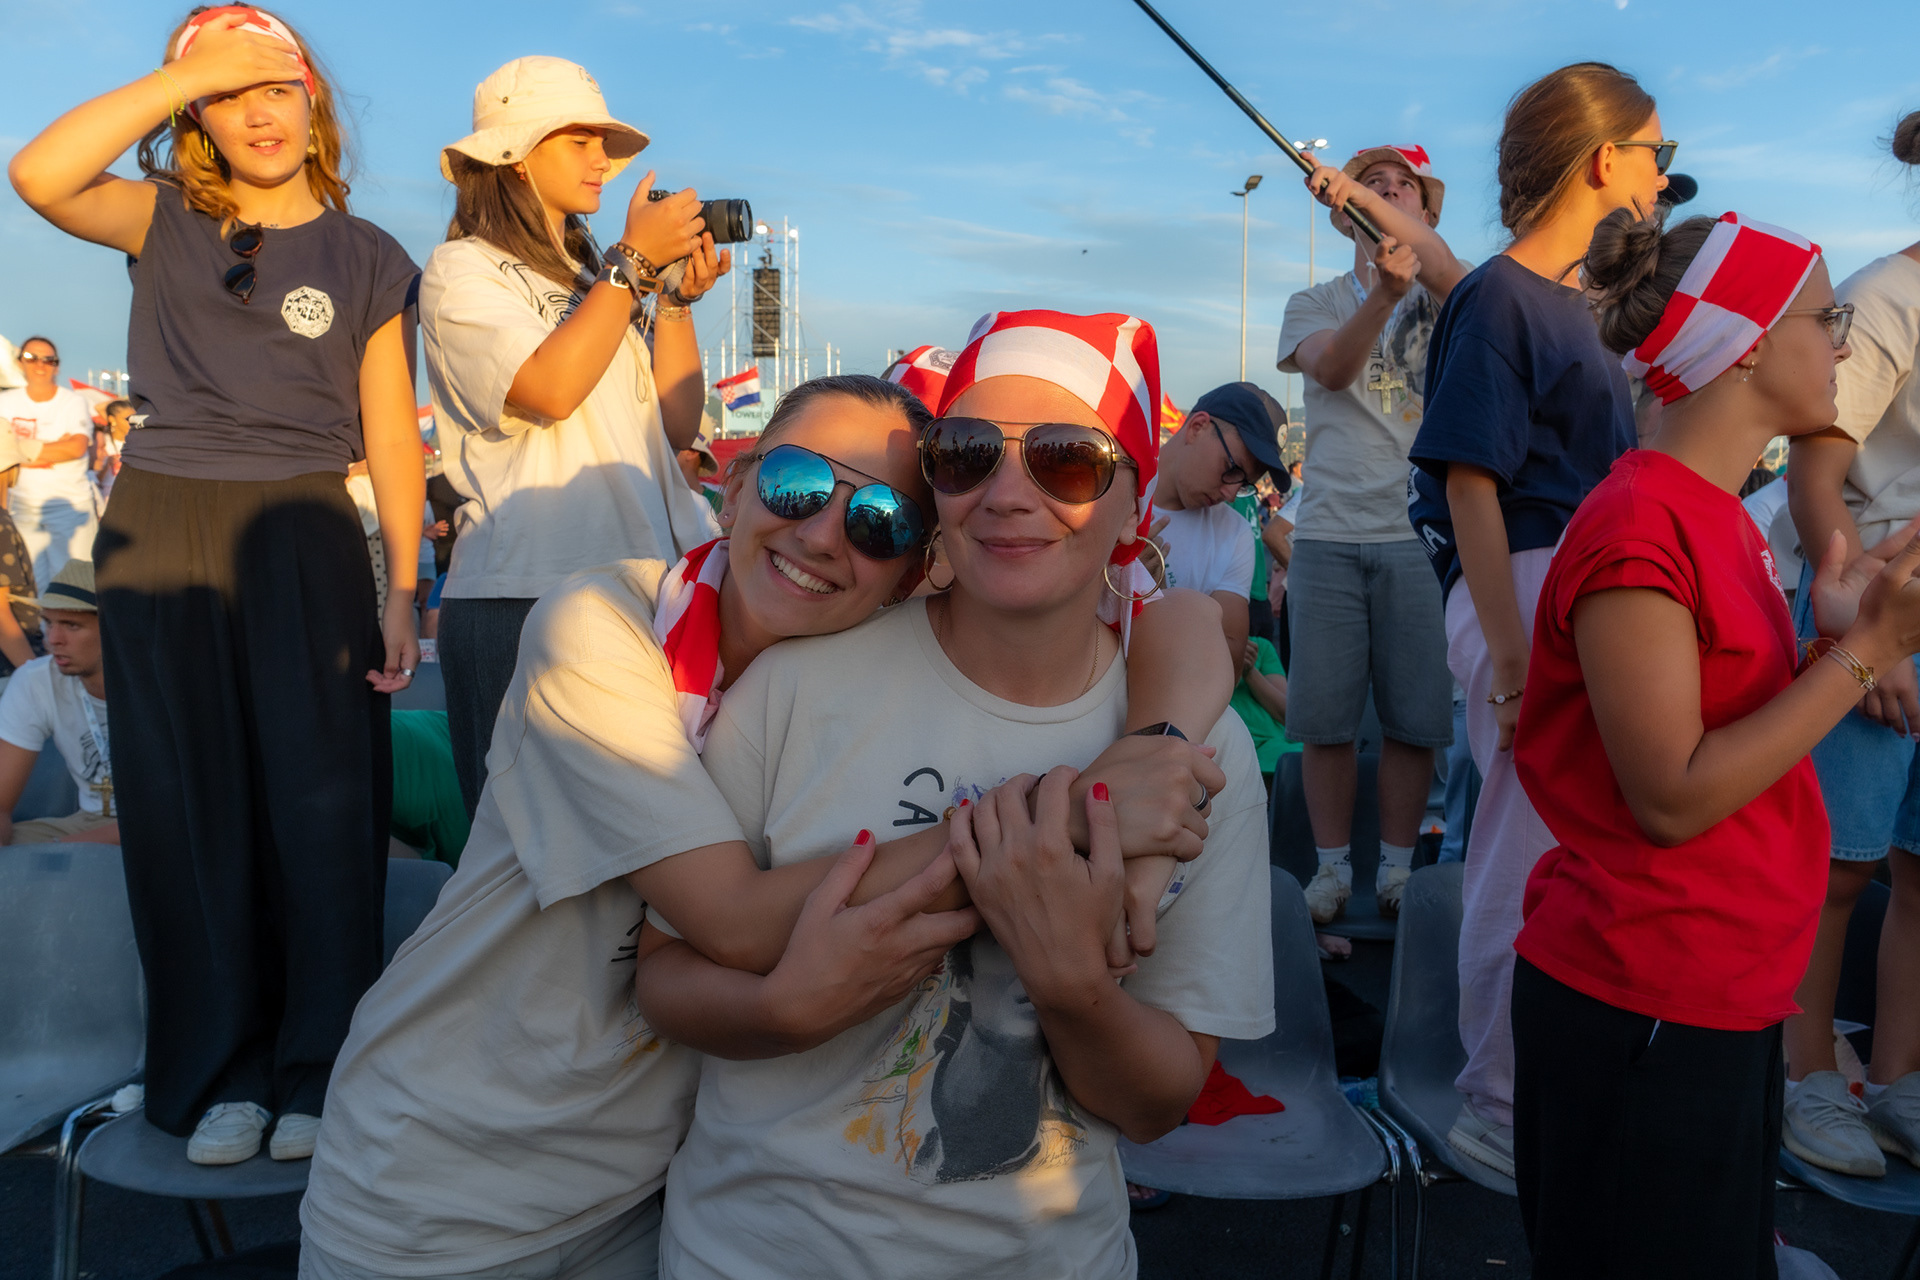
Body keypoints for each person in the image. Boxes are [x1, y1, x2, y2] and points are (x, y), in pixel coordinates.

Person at [299, 371, 1234, 1280]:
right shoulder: (604, 627)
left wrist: (1162, 738)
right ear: (737, 486)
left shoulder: (822, 689)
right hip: (437, 1178)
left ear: (918, 568)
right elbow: (734, 921)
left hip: (641, 1196)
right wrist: (1062, 818)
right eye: (796, 484)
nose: (823, 534)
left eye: (880, 522)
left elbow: (1179, 619)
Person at [642, 311, 1274, 1279]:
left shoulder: (1195, 750)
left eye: (1067, 461)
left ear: (1133, 504)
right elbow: (663, 980)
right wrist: (790, 1006)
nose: (1007, 493)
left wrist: (1073, 985)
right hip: (750, 1252)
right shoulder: (797, 684)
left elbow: (1158, 1103)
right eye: (968, 453)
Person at [9, 6, 424, 1164]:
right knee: (189, 802)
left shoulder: (369, 254)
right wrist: (183, 75)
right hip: (163, 522)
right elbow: (39, 173)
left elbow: (394, 432)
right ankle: (216, 1073)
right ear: (195, 116)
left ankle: (317, 1067)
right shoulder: (164, 219)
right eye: (229, 93)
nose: (257, 112)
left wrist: (399, 585)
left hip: (305, 527)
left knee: (322, 803)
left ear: (313, 101)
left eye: (275, 84)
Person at [1511, 205, 1920, 1276]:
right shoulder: (1642, 525)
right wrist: (1865, 655)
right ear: (1744, 345)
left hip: (1712, 986)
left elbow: (1725, 718)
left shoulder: (1713, 515)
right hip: (1646, 994)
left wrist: (1828, 635)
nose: (1843, 344)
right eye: (1825, 319)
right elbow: (1674, 794)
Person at [1403, 62, 1661, 1179]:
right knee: (1523, 843)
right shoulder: (1503, 296)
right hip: (1524, 590)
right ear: (1606, 158)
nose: (1664, 181)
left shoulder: (1571, 304)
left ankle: (1543, 1085)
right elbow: (1470, 479)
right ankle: (1499, 1104)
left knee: (1569, 846)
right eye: (1656, 156)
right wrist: (1510, 658)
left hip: (1569, 589)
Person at [425, 56, 725, 816]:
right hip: (524, 594)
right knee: (522, 852)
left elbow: (676, 425)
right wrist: (632, 266)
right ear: (514, 156)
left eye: (603, 142)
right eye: (578, 140)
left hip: (640, 588)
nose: (601, 160)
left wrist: (674, 303)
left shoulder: (595, 280)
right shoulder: (462, 269)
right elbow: (549, 389)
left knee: (638, 845)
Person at [1777, 108, 1920, 1178]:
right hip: (1878, 611)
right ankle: (1806, 1073)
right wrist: (1876, 640)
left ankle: (1898, 1080)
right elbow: (1816, 477)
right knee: (1835, 866)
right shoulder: (1885, 298)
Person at [1280, 144, 1467, 923]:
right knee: (1323, 724)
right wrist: (1383, 298)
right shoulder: (1314, 299)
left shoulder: (1456, 300)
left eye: (1404, 188)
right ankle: (1330, 872)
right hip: (1326, 532)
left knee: (1414, 722)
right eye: (1372, 184)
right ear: (1341, 209)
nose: (1389, 194)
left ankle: (1395, 870)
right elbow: (1329, 369)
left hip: (1420, 536)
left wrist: (1404, 287)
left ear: (1425, 212)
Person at [1152, 380, 1288, 666]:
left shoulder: (1235, 533)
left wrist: (1155, 598)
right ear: (1197, 427)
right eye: (1232, 469)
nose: (1230, 494)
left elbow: (1228, 664)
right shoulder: (1106, 491)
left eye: (1244, 484)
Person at [0, 560, 119, 845]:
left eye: (71, 625)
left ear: (114, 627)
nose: (53, 639)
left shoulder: (160, 682)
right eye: (48, 622)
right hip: (86, 822)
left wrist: (59, 853)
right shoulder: (36, 680)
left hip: (162, 826)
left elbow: (181, 814)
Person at [0, 337, 97, 587]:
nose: (40, 365)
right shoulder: (6, 402)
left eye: (48, 359)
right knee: (31, 587)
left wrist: (18, 452)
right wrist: (52, 448)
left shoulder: (73, 402)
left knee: (75, 586)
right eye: (31, 358)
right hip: (22, 508)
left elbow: (75, 448)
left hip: (70, 509)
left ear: (57, 366)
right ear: (19, 362)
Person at [93, 397, 133, 508]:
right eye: (127, 419)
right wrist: (107, 465)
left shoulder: (138, 441)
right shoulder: (103, 443)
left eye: (134, 418)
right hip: (108, 497)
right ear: (112, 419)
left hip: (132, 495)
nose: (132, 423)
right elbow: (93, 479)